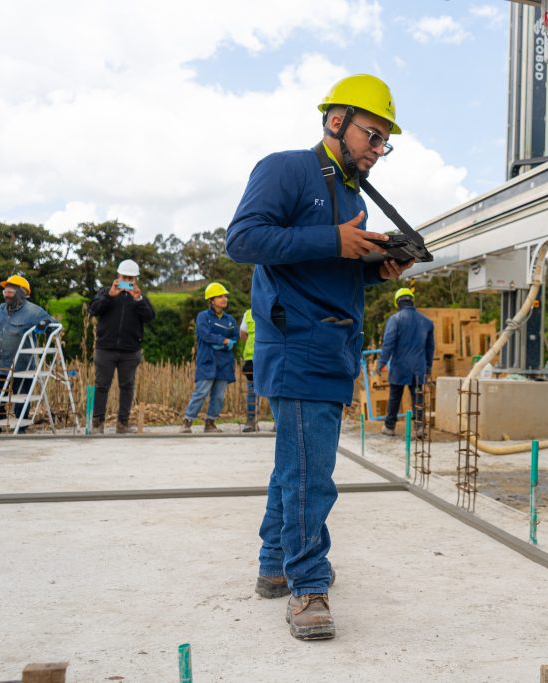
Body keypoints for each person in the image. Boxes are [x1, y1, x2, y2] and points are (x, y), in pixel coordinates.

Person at [225, 73, 414, 641]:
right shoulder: (287, 168)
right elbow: (243, 240)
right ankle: (308, 584)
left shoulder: (351, 195)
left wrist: (374, 269)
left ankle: (273, 567)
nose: (377, 151)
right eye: (372, 136)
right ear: (337, 121)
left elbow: (327, 275)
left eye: (384, 142)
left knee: (295, 467)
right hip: (298, 345)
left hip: (333, 347)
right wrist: (333, 240)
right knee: (312, 475)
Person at [88, 259, 156, 434]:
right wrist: (110, 295)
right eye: (125, 277)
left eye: (131, 278)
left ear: (136, 279)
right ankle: (97, 423)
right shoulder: (105, 292)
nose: (128, 281)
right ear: (118, 276)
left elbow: (149, 317)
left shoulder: (140, 297)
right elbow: (94, 309)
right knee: (101, 386)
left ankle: (122, 423)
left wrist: (138, 299)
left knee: (127, 387)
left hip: (130, 350)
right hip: (105, 349)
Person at [0, 275, 54, 432]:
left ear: (22, 292)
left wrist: (45, 324)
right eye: (5, 291)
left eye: (11, 291)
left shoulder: (34, 311)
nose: (7, 294)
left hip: (21, 365)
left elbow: (55, 325)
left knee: (21, 398)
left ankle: (20, 430)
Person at [180, 282, 237, 433]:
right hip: (208, 361)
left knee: (218, 396)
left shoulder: (230, 320)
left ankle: (210, 423)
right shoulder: (203, 317)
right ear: (211, 300)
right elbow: (205, 335)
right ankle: (187, 421)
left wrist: (231, 342)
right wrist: (222, 341)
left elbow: (235, 336)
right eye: (220, 296)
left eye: (225, 296)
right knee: (201, 392)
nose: (224, 299)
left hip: (224, 362)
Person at [376, 287, 434, 437]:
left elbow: (388, 344)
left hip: (399, 367)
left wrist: (381, 363)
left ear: (397, 302)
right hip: (418, 368)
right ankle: (419, 428)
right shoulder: (427, 322)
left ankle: (389, 427)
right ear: (411, 301)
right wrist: (428, 368)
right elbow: (430, 349)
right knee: (418, 397)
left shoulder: (395, 320)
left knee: (395, 397)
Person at [238, 307, 260, 432]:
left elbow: (243, 334)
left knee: (251, 390)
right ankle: (276, 422)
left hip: (251, 358)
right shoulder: (273, 310)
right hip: (268, 356)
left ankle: (250, 422)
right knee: (272, 389)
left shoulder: (248, 313)